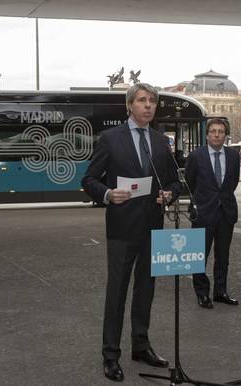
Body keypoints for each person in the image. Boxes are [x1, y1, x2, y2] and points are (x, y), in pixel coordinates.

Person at [82, 83, 181, 381]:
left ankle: (141, 345)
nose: (148, 106)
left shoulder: (161, 141)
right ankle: (110, 355)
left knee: (146, 291)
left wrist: (169, 194)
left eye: (152, 101)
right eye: (142, 100)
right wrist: (108, 194)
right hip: (122, 229)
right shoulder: (111, 139)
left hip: (152, 227)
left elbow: (175, 181)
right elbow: (88, 180)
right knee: (117, 293)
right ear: (129, 106)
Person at [184, 118, 240, 309]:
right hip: (203, 213)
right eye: (213, 131)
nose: (217, 135)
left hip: (226, 213)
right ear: (207, 134)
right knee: (199, 256)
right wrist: (200, 203)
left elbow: (231, 183)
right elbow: (190, 184)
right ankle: (202, 294)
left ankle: (220, 292)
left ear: (225, 135)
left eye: (221, 132)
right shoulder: (195, 156)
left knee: (222, 256)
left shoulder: (233, 156)